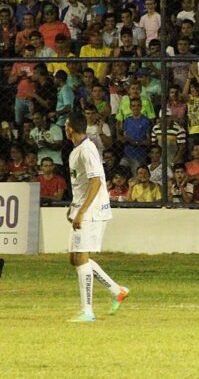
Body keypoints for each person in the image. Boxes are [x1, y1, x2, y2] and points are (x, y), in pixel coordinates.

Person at [64, 111, 128, 323]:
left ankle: (88, 311)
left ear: (70, 128)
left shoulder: (87, 149)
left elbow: (96, 182)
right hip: (82, 208)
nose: (65, 128)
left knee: (81, 257)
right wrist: (73, 207)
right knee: (74, 258)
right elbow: (82, 184)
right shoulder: (77, 150)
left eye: (66, 125)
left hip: (92, 211)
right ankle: (117, 290)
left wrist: (81, 212)